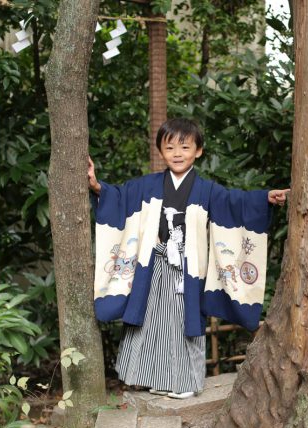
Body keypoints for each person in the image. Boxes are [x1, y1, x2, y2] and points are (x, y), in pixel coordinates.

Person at [88, 118, 289, 399]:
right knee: (152, 320)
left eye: (185, 146)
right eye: (170, 147)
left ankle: (185, 382)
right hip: (154, 263)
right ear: (161, 151)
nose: (177, 153)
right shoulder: (147, 186)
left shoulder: (207, 190)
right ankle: (156, 377)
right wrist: (98, 188)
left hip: (188, 268)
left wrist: (264, 198)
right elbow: (119, 197)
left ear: (199, 151)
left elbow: (236, 203)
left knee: (185, 322)